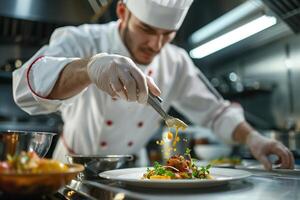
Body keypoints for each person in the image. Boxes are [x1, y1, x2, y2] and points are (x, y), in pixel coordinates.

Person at [13, 0, 294, 170]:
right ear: (122, 11)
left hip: (131, 171)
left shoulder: (176, 62)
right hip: (72, 169)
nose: (155, 45)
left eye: (167, 35)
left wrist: (254, 139)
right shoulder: (83, 40)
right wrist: (88, 67)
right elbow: (25, 90)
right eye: (146, 30)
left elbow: (215, 112)